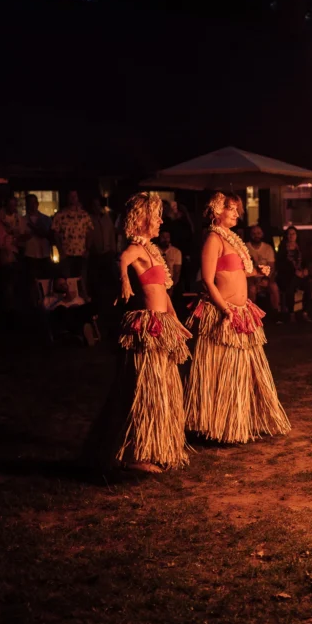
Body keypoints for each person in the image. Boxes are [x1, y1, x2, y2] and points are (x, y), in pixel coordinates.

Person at [83, 192, 192, 473]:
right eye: (155, 217)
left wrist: (176, 320)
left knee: (164, 388)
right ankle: (136, 454)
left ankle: (158, 446)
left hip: (162, 323)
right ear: (142, 220)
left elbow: (164, 292)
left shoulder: (153, 250)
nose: (159, 221)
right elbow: (123, 258)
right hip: (147, 325)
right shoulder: (137, 248)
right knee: (146, 388)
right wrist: (124, 282)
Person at [185, 192, 290, 444]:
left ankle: (241, 420)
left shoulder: (233, 238)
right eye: (230, 208)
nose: (236, 213)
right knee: (223, 370)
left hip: (242, 312)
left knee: (243, 370)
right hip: (225, 314)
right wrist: (225, 309)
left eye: (236, 209)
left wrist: (256, 272)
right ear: (216, 211)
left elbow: (237, 272)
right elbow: (208, 280)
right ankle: (218, 426)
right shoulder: (213, 239)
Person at [51, 191, 93, 285]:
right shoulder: (60, 215)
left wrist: (87, 249)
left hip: (81, 252)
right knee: (67, 277)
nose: (73, 198)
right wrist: (60, 251)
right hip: (66, 252)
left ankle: (82, 296)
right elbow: (56, 234)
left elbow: (89, 232)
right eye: (70, 196)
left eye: (74, 196)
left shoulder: (84, 215)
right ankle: (68, 296)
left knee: (81, 277)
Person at [42, 276, 98, 345]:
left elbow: (83, 309)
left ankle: (80, 335)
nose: (63, 286)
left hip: (76, 316)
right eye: (60, 285)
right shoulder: (49, 298)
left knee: (89, 306)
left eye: (64, 284)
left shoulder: (76, 298)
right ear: (54, 286)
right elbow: (47, 312)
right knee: (61, 309)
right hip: (61, 318)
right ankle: (83, 332)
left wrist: (74, 305)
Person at [275, 225, 311, 322]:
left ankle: (305, 312)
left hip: (301, 273)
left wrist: (305, 269)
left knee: (308, 287)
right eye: (289, 234)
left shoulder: (301, 247)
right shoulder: (282, 248)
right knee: (290, 287)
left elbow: (306, 260)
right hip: (288, 275)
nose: (291, 236)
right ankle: (291, 313)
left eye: (293, 234)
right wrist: (294, 272)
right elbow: (280, 265)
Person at [87, 197, 117, 300]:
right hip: (95, 254)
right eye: (94, 205)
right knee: (95, 279)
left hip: (108, 253)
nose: (96, 207)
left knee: (109, 278)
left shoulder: (106, 218)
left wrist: (113, 249)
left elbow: (112, 233)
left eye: (98, 205)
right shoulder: (88, 219)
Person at [246, 225, 280, 312]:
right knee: (252, 289)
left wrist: (266, 279)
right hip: (251, 277)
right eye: (253, 233)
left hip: (265, 277)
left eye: (258, 233)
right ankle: (251, 314)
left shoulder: (268, 248)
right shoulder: (245, 247)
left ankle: (276, 312)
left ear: (262, 234)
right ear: (250, 234)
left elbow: (272, 267)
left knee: (274, 287)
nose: (256, 235)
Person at [22, 194, 53, 280]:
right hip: (30, 254)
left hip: (44, 253)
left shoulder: (46, 219)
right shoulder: (22, 220)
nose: (32, 205)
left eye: (34, 203)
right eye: (30, 203)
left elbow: (50, 235)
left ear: (37, 203)